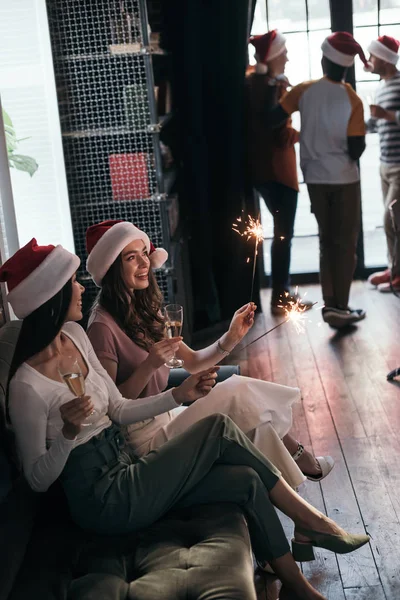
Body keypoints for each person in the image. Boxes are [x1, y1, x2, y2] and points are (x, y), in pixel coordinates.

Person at [1, 238, 370, 600]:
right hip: (103, 499)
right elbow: (35, 480)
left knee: (245, 480)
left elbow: (117, 408)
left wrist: (180, 394)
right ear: (50, 297)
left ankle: (299, 586)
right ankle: (313, 521)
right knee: (221, 425)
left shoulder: (75, 335)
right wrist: (66, 435)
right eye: (71, 284)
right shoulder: (26, 385)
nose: (81, 288)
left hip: (128, 466)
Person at [85, 219, 334, 490]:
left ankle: (303, 521)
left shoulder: (143, 309)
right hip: (144, 442)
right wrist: (149, 365)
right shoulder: (101, 327)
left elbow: (192, 362)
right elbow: (111, 408)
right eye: (131, 258)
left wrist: (232, 336)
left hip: (168, 418)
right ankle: (301, 457)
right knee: (238, 390)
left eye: (144, 253)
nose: (145, 263)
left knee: (258, 425)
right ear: (110, 267)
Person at [267, 32, 368, 329]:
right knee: (346, 243)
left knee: (327, 240)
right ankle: (341, 305)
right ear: (346, 68)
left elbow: (272, 118)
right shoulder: (353, 99)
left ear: (323, 60)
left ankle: (330, 304)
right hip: (345, 178)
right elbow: (356, 149)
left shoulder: (303, 91)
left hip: (314, 178)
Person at [245, 30, 313, 315]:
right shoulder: (271, 87)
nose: (287, 57)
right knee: (285, 234)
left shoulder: (254, 82)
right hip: (278, 171)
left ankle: (273, 294)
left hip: (262, 169)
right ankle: (280, 297)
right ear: (272, 57)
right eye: (283, 53)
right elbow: (274, 130)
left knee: (272, 234)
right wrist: (300, 133)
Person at [366, 35, 400, 293]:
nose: (368, 61)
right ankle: (394, 270)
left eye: (372, 56)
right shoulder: (381, 86)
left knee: (392, 222)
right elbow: (378, 124)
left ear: (385, 59)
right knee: (393, 222)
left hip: (399, 167)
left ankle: (398, 275)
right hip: (384, 165)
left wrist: (386, 114)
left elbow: (390, 117)